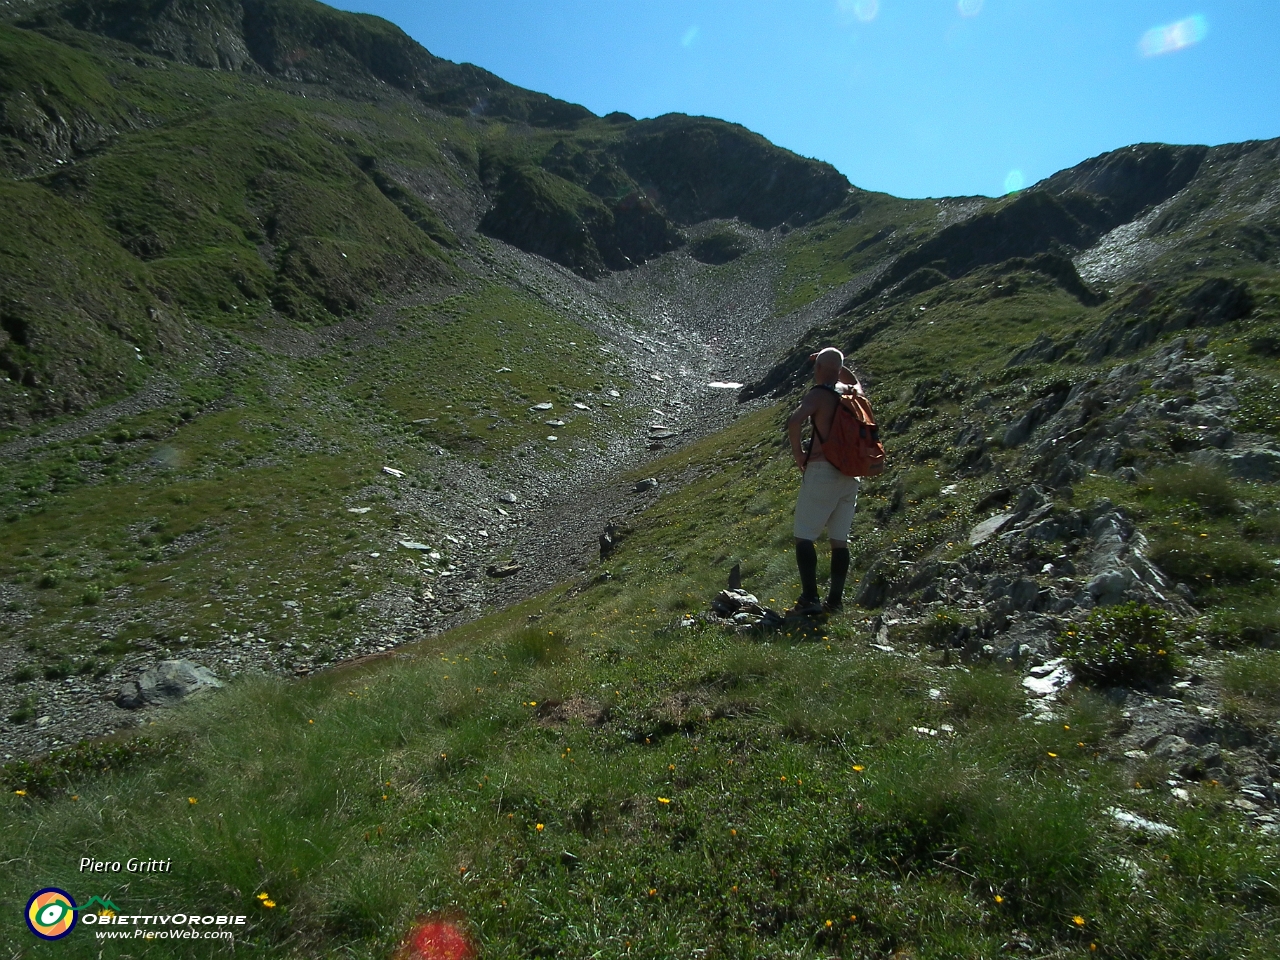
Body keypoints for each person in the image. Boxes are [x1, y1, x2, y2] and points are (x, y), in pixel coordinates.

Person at [785, 347, 862, 615]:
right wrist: (836, 365)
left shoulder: (819, 395)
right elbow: (853, 380)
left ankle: (810, 598)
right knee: (839, 540)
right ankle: (835, 602)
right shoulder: (852, 394)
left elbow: (795, 421)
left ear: (817, 370)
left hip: (822, 470)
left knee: (804, 537)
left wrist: (799, 455)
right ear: (839, 371)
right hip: (851, 473)